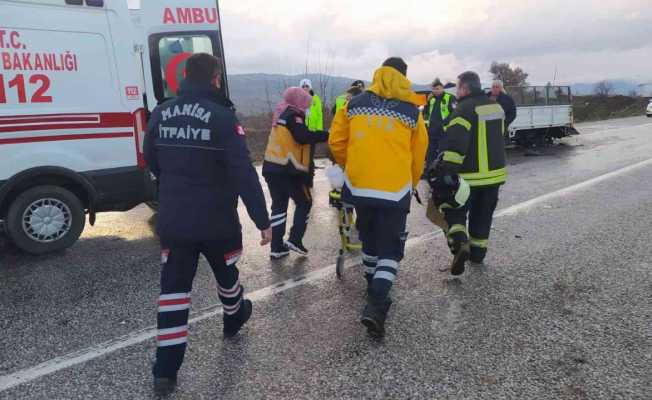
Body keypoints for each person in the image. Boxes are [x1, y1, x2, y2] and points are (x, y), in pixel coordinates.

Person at [143, 53, 271, 396]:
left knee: (173, 293)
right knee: (227, 273)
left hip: (175, 220)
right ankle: (234, 316)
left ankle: (165, 371)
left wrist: (171, 186)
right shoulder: (223, 118)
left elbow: (151, 158)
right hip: (217, 221)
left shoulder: (160, 112)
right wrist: (262, 220)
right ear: (215, 79)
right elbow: (243, 173)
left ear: (185, 76)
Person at [329, 57, 428, 338]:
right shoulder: (412, 111)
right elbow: (418, 153)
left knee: (369, 239)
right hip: (394, 190)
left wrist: (353, 166)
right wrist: (411, 181)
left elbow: (336, 141)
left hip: (359, 187)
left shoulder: (354, 104)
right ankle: (376, 302)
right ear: (404, 78)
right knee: (391, 248)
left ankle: (373, 285)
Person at [433, 71, 507, 276]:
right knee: (483, 216)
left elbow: (456, 145)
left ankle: (459, 244)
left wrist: (444, 171)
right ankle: (477, 254)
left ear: (464, 88)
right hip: (494, 175)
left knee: (453, 209)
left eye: (458, 88)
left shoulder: (463, 110)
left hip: (469, 177)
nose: (457, 92)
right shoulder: (496, 107)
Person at [263, 87, 329, 259]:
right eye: (306, 103)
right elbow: (302, 136)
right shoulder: (294, 115)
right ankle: (295, 239)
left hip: (272, 167)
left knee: (279, 207)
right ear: (299, 101)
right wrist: (326, 135)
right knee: (304, 202)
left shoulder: (281, 113)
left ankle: (277, 247)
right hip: (288, 169)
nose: (307, 106)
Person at [423, 78, 456, 171]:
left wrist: (444, 123)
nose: (436, 91)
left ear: (442, 88)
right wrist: (426, 101)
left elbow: (455, 112)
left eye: (438, 89)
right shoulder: (431, 99)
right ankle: (429, 171)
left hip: (444, 131)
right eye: (434, 89)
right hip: (432, 131)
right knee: (430, 153)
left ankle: (441, 172)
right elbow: (425, 112)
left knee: (443, 153)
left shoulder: (450, 97)